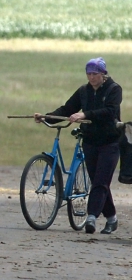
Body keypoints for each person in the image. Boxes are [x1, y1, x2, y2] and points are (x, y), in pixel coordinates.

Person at [35, 58, 123, 235]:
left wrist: (85, 114)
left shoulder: (114, 89)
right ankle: (112, 218)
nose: (91, 78)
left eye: (95, 74)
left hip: (110, 143)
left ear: (103, 74)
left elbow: (110, 111)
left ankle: (91, 217)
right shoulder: (84, 91)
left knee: (100, 182)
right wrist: (47, 116)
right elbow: (67, 109)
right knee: (100, 182)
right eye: (89, 74)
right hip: (90, 142)